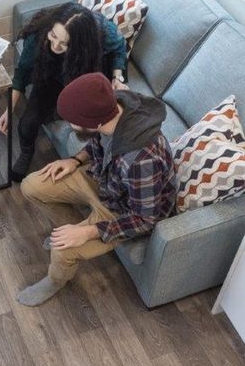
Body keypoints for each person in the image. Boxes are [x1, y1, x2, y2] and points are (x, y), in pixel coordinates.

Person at [17, 72, 176, 307]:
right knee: (31, 185)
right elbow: (98, 140)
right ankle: (68, 230)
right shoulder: (116, 105)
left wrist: (88, 232)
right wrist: (75, 160)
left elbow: (144, 218)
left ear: (96, 123)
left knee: (63, 250)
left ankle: (55, 280)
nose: (69, 126)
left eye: (73, 121)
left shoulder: (143, 160)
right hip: (105, 178)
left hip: (124, 211)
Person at [0, 3, 127, 182]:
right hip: (49, 77)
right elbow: (23, 72)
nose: (55, 45)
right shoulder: (39, 33)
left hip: (81, 77)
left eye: (64, 44)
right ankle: (27, 153)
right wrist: (9, 109)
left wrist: (117, 76)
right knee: (27, 123)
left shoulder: (102, 32)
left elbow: (120, 47)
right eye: (53, 36)